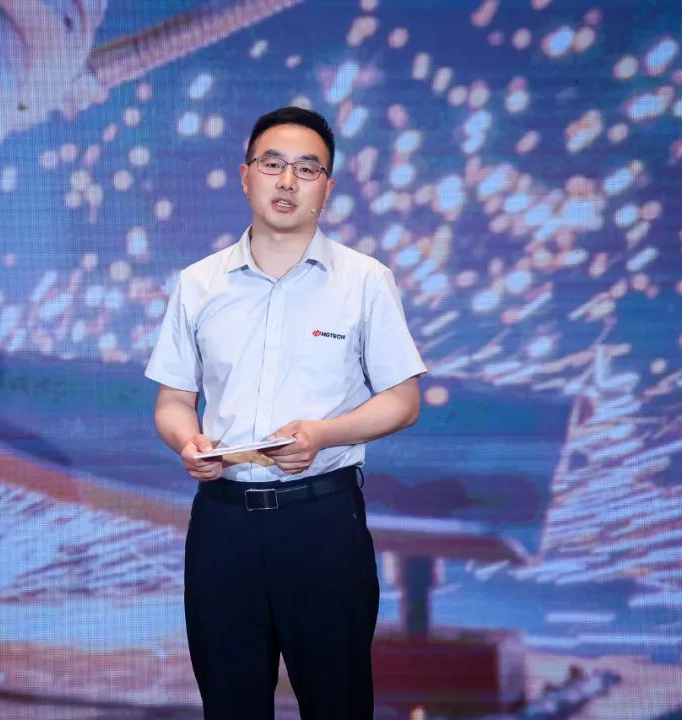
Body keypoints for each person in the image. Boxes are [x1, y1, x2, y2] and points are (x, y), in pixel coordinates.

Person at [145, 106, 426, 719]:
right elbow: (173, 401)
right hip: (222, 526)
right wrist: (187, 442)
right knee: (230, 705)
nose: (288, 181)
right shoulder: (198, 284)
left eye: (308, 168)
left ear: (327, 187)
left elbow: (404, 400)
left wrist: (325, 434)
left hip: (321, 522)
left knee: (337, 703)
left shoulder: (365, 281)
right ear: (245, 175)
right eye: (272, 164)